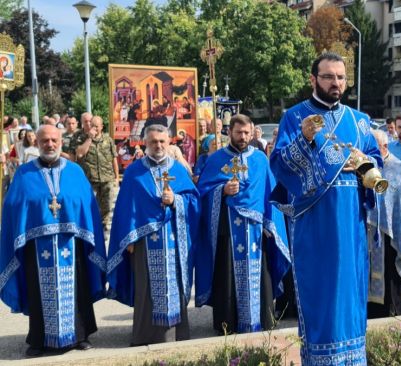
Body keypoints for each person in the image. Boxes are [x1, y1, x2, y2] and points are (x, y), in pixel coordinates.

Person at [270, 52, 382, 365]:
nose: (336, 83)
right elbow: (280, 166)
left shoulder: (359, 121)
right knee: (322, 295)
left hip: (351, 225)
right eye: (329, 76)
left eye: (341, 77)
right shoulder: (295, 117)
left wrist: (365, 166)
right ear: (314, 79)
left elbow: (375, 160)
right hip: (316, 227)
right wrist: (305, 139)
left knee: (350, 294)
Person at [0, 125, 106, 357]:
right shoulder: (24, 173)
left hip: (71, 245)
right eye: (45, 141)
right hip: (36, 248)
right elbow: (12, 206)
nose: (50, 145)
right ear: (37, 143)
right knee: (39, 294)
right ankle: (38, 340)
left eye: (54, 140)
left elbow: (86, 204)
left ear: (61, 142)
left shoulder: (75, 171)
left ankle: (80, 335)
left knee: (77, 289)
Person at [195, 114, 290, 334]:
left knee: (260, 276)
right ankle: (227, 323)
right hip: (226, 230)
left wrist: (270, 225)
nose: (243, 137)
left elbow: (271, 194)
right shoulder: (217, 159)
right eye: (239, 132)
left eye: (247, 132)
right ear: (230, 132)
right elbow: (203, 195)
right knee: (226, 276)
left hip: (256, 233)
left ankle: (261, 320)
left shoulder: (259, 159)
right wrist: (222, 191)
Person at [107, 124, 199, 346]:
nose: (158, 145)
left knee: (175, 285)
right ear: (145, 143)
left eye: (162, 142)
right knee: (146, 288)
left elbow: (194, 202)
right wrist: (128, 238)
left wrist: (176, 201)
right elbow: (126, 208)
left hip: (174, 239)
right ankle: (145, 335)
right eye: (153, 142)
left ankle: (178, 334)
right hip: (144, 243)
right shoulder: (134, 171)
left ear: (169, 143)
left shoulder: (178, 169)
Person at [367, 130, 401, 318]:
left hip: (390, 239)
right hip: (364, 237)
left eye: (373, 147)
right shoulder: (363, 167)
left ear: (385, 146)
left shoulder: (399, 169)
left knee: (389, 301)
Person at [70, 115, 120, 239]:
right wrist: (89, 139)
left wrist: (116, 177)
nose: (94, 128)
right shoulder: (81, 138)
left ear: (102, 127)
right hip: (89, 179)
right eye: (92, 126)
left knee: (107, 207)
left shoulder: (108, 139)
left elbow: (114, 159)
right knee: (89, 207)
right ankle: (89, 231)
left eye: (97, 126)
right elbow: (80, 154)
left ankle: (105, 234)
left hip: (107, 178)